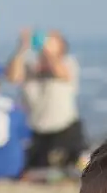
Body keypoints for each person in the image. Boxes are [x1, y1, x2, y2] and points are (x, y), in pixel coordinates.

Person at [6, 28, 86, 177]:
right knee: (33, 172)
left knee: (71, 170)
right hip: (37, 131)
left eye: (52, 40)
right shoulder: (30, 66)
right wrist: (22, 49)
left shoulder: (68, 62)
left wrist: (48, 51)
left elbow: (60, 72)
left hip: (64, 128)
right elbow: (12, 76)